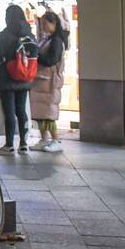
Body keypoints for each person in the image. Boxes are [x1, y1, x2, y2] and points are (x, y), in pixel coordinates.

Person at [0, 4, 38, 154]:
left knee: (9, 111)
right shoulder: (30, 34)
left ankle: (9, 144)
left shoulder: (3, 35)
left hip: (7, 78)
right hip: (24, 78)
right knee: (21, 111)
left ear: (8, 18)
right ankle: (24, 143)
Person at [30, 10, 70, 153]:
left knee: (48, 114)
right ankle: (44, 139)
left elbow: (51, 60)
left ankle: (55, 139)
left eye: (46, 23)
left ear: (54, 24)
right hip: (42, 82)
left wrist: (36, 55)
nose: (44, 26)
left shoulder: (57, 41)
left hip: (50, 82)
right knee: (41, 114)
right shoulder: (47, 39)